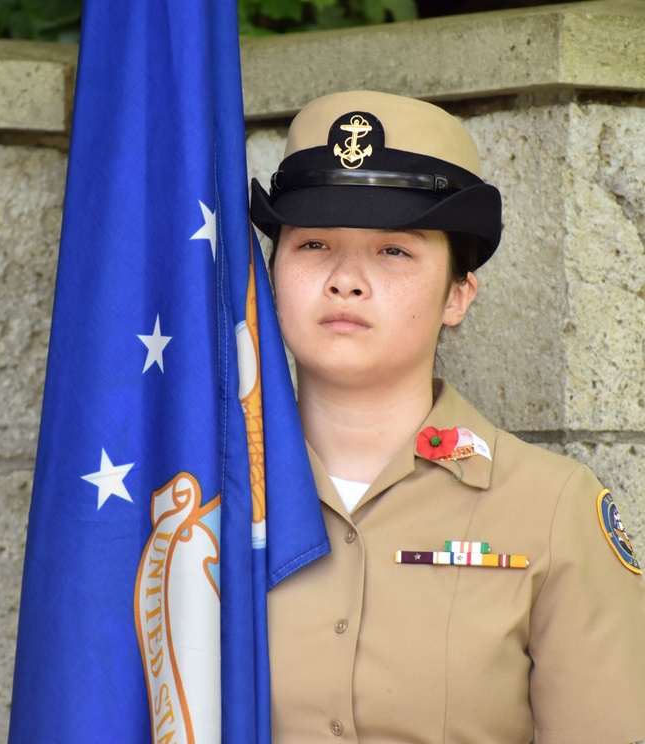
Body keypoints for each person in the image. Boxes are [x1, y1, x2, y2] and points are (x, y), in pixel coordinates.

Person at [249, 90, 645, 743]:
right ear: (271, 276)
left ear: (458, 294)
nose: (346, 278)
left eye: (393, 251)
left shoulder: (550, 509)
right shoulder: (204, 500)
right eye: (314, 243)